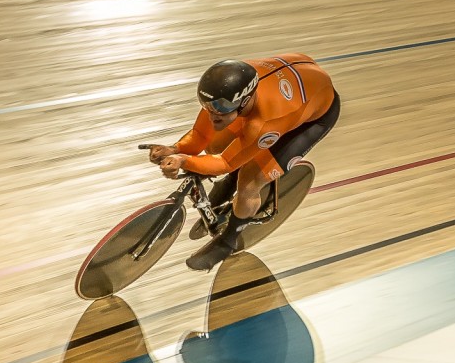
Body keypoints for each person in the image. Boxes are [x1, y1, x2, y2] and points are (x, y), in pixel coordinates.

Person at [144, 53, 340, 271]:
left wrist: (182, 160)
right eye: (207, 106)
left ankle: (228, 240)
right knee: (216, 144)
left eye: (220, 109)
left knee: (248, 183)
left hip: (313, 116)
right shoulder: (223, 95)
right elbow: (202, 135)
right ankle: (229, 185)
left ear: (244, 100)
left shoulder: (263, 122)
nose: (212, 114)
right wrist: (174, 148)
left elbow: (226, 162)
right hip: (299, 80)